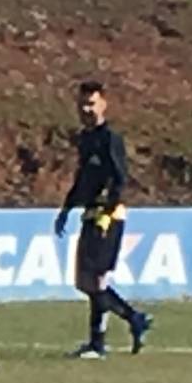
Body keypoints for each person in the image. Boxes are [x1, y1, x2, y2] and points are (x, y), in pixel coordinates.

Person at [56, 80, 154, 359]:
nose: (86, 109)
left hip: (107, 215)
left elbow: (120, 177)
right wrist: (66, 208)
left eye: (91, 103)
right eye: (82, 104)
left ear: (103, 104)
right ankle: (126, 324)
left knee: (94, 280)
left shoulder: (110, 138)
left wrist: (109, 210)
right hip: (91, 212)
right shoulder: (86, 139)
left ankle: (109, 334)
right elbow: (83, 177)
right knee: (86, 281)